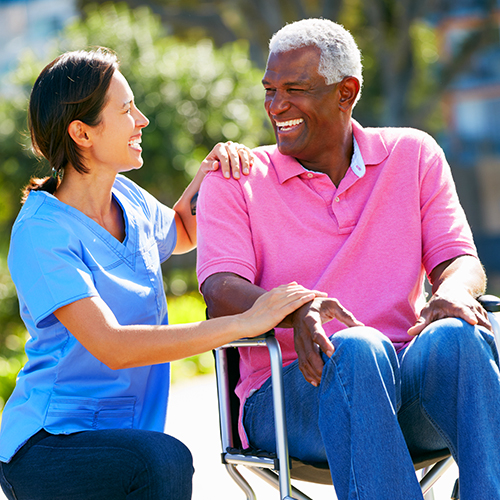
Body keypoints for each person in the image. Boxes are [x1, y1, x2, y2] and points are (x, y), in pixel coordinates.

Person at [0, 48, 325, 500]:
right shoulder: (42, 232)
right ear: (82, 132)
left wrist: (213, 169)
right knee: (164, 459)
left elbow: (184, 229)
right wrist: (241, 323)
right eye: (126, 110)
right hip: (51, 446)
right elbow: (111, 345)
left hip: (127, 440)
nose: (142, 120)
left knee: (158, 457)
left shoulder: (126, 198)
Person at [197, 18, 500, 500]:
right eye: (270, 90)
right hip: (288, 396)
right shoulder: (236, 178)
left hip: (405, 381)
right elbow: (219, 291)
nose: (277, 107)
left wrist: (451, 292)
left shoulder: (413, 154)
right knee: (357, 348)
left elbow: (459, 260)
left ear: (346, 92)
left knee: (459, 339)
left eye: (295, 89)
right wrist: (295, 308)